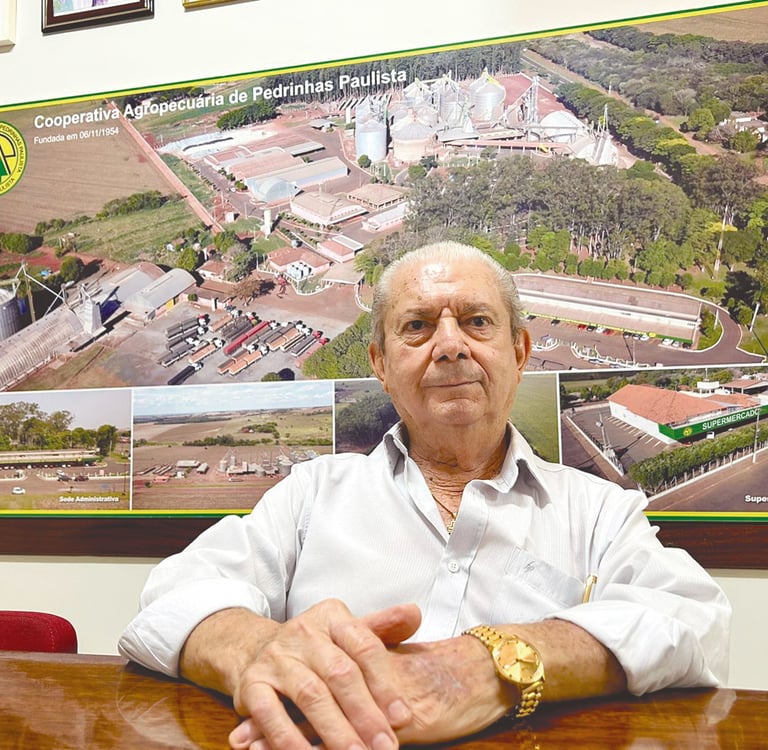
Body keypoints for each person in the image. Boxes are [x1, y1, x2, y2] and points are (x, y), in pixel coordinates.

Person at [119, 241, 730, 750]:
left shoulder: (599, 511)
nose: (450, 346)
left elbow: (696, 626)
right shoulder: (312, 493)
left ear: (519, 352)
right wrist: (261, 649)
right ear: (381, 365)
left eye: (477, 321)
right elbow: (173, 596)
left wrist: (492, 664)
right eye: (417, 326)